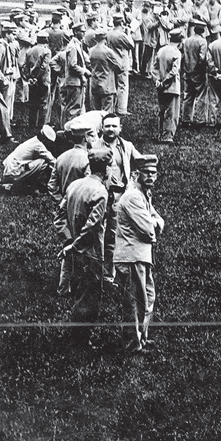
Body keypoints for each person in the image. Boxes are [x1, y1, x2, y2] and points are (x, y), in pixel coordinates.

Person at [60, 146, 112, 347]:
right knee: (89, 296)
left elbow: (59, 216)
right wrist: (76, 246)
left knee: (79, 290)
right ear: (106, 170)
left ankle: (76, 337)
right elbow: (93, 227)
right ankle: (80, 340)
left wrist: (68, 241)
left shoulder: (74, 185)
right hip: (90, 252)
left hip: (74, 248)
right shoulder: (100, 192)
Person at [112, 153, 164, 353]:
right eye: (146, 173)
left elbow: (156, 220)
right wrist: (155, 224)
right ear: (136, 174)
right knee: (135, 302)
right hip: (131, 256)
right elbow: (149, 229)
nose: (151, 176)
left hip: (140, 255)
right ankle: (133, 343)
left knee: (147, 297)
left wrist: (155, 222)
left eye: (154, 173)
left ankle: (141, 338)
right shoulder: (134, 196)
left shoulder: (143, 194)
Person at [154, 27, 182, 144]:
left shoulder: (161, 50)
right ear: (179, 41)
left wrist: (157, 81)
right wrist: (165, 82)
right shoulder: (176, 53)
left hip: (160, 86)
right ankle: (168, 135)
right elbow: (174, 71)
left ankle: (160, 133)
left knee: (162, 110)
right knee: (172, 112)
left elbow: (154, 68)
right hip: (172, 87)